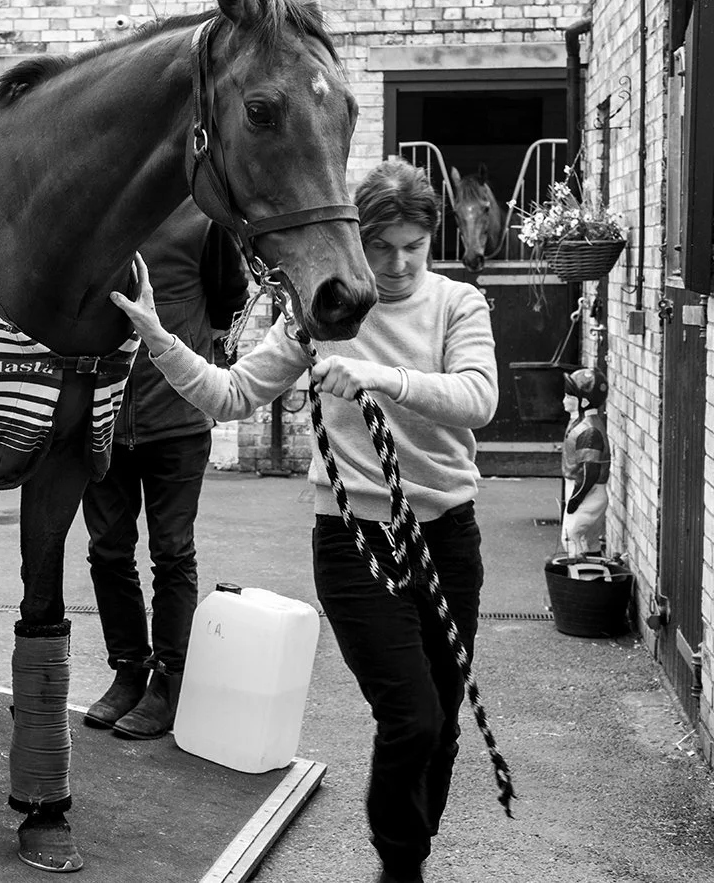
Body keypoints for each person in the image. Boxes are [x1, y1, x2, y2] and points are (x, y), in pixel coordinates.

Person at [110, 157, 497, 883]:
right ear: (358, 241)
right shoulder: (321, 312)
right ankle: (400, 872)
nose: (397, 263)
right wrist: (159, 338)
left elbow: (478, 398)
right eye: (381, 247)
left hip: (446, 535)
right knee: (410, 716)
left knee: (440, 727)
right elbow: (229, 396)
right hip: (353, 541)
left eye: (412, 246)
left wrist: (382, 379)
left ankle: (408, 857)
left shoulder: (456, 305)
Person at [81, 198, 251, 739]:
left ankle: (170, 683)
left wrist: (200, 359)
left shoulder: (203, 219)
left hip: (175, 418)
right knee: (107, 550)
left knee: (171, 552)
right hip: (101, 415)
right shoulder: (96, 206)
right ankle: (129, 671)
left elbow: (230, 300)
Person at [560, 366, 610, 558]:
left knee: (570, 536)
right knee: (589, 540)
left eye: (569, 397)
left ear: (585, 401)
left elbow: (590, 472)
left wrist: (574, 500)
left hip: (588, 492)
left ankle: (581, 580)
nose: (564, 401)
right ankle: (594, 575)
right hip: (585, 490)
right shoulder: (581, 423)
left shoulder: (589, 431)